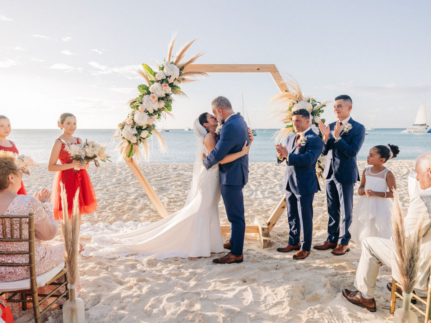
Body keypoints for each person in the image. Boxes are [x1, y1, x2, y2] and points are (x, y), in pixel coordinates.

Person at [82, 112, 253, 260]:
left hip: (214, 177)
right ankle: (198, 246)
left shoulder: (214, 135)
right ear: (205, 124)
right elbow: (218, 158)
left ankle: (208, 243)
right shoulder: (209, 137)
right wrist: (243, 152)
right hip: (210, 177)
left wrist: (247, 140)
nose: (215, 117)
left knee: (208, 209)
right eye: (211, 117)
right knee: (203, 209)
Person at [342, 151, 431, 312]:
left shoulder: (425, 199)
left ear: (429, 171)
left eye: (418, 173)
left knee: (370, 243)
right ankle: (406, 289)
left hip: (419, 267)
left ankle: (365, 296)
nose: (417, 178)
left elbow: (404, 239)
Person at [0, 151, 64, 317]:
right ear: (11, 177)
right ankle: (63, 301)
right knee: (65, 248)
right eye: (19, 173)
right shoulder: (28, 202)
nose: (21, 177)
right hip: (28, 269)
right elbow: (49, 234)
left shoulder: (28, 201)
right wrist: (45, 207)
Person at [314, 95, 366, 255]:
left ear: (349, 108)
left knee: (346, 210)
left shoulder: (358, 128)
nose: (336, 109)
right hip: (329, 172)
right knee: (332, 209)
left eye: (339, 106)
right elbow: (324, 151)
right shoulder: (329, 126)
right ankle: (331, 239)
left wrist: (337, 137)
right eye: (335, 106)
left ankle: (344, 242)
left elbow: (352, 152)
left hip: (346, 172)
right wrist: (325, 137)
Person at [204, 96, 250, 264]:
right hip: (238, 172)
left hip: (232, 176)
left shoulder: (230, 126)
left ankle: (237, 253)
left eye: (216, 114)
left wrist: (205, 162)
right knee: (234, 214)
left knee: (235, 216)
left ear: (220, 111)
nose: (216, 118)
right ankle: (233, 241)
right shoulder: (240, 120)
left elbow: (218, 155)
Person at [275, 109, 323, 260]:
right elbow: (285, 158)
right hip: (289, 181)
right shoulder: (290, 137)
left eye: (297, 121)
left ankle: (305, 247)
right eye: (293, 120)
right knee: (292, 215)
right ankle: (293, 242)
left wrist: (287, 155)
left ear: (307, 121)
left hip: (304, 183)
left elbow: (308, 160)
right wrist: (280, 155)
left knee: (305, 216)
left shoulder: (314, 139)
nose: (294, 124)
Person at [48, 113, 97, 220]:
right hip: (66, 178)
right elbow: (51, 167)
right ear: (61, 125)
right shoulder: (58, 142)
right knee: (67, 211)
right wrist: (71, 165)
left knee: (78, 212)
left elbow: (84, 164)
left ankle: (76, 236)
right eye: (68, 123)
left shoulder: (78, 140)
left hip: (81, 176)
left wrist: (85, 165)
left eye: (74, 123)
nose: (72, 126)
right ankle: (67, 236)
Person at [351, 144, 400, 248]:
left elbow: (393, 193)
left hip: (381, 206)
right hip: (366, 205)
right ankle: (367, 256)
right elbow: (361, 187)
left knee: (379, 230)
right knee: (366, 228)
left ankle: (380, 258)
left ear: (381, 160)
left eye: (372, 155)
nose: (368, 157)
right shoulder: (366, 171)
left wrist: (375, 193)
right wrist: (362, 191)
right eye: (369, 154)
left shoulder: (387, 174)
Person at [0, 115, 26, 195]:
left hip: (16, 180)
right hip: (3, 182)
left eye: (8, 125)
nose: (6, 128)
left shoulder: (12, 143)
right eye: (2, 126)